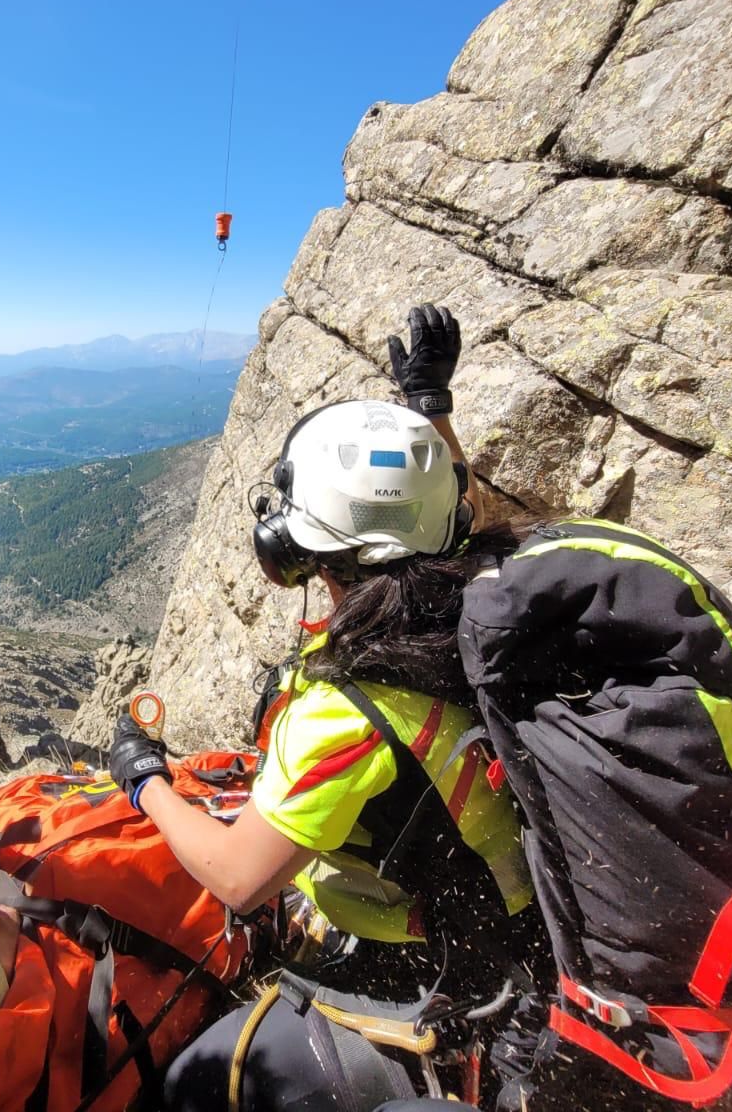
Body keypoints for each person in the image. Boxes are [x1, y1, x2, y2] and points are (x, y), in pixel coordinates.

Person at [109, 305, 559, 1111]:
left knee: (190, 1087)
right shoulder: (494, 589)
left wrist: (145, 781)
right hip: (514, 915)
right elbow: (457, 519)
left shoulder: (348, 713)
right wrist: (429, 410)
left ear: (297, 549)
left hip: (434, 963)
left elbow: (238, 879)